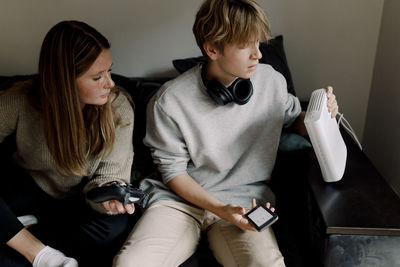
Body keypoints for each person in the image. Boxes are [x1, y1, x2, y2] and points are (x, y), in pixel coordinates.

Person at [114, 0, 339, 266]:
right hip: (178, 204)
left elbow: (293, 120)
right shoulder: (169, 101)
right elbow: (173, 173)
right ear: (212, 49)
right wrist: (220, 209)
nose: (258, 54)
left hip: (244, 202)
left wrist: (321, 114)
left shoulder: (271, 81)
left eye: (258, 42)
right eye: (246, 45)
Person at [0, 20, 135, 267]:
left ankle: (17, 236)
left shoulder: (118, 108)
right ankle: (40, 253)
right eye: (97, 77)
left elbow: (109, 175)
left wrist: (109, 195)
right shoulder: (19, 100)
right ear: (64, 80)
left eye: (109, 71)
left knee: (113, 226)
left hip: (83, 203)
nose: (110, 83)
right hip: (27, 194)